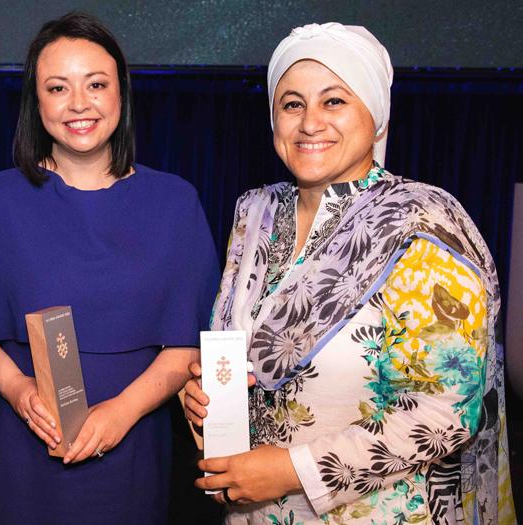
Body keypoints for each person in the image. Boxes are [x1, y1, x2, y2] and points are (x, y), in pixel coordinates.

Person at [184, 23, 516, 524]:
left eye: (334, 101)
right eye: (292, 104)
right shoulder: (255, 214)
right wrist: (210, 398)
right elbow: (246, 354)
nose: (309, 123)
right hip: (252, 511)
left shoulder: (421, 226)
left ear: (376, 119)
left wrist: (293, 470)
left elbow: (447, 412)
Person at [0, 12, 220, 525]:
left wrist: (122, 412)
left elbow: (186, 343)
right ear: (37, 102)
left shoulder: (175, 202)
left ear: (121, 93)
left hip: (133, 450)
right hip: (19, 451)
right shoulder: (0, 199)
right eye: (58, 87)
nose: (79, 104)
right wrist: (20, 391)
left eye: (96, 84)